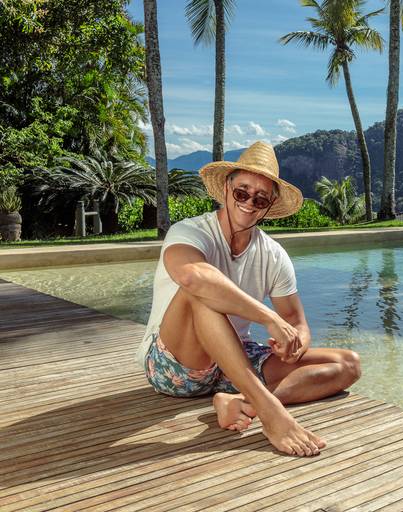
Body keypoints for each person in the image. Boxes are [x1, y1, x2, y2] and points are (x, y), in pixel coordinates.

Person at [134, 141, 362, 457]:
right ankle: (269, 410)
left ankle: (239, 403)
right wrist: (270, 319)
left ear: (269, 205)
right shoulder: (190, 232)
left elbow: (297, 322)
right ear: (226, 190)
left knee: (347, 364)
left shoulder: (273, 255)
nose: (249, 203)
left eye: (260, 198)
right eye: (242, 192)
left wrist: (295, 343)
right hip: (177, 365)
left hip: (234, 361)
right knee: (200, 292)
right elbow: (192, 277)